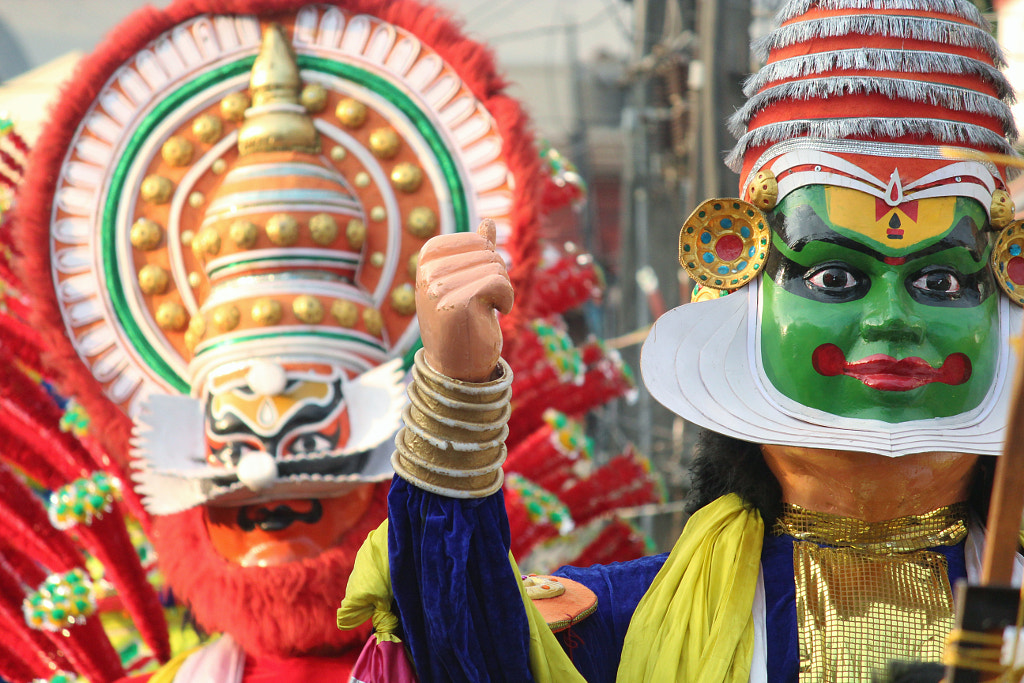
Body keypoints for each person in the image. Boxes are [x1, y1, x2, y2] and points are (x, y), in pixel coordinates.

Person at [366, 0, 1024, 681]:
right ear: (742, 287)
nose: (892, 318)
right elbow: (464, 655)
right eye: (834, 276)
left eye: (942, 281)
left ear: (1007, 290)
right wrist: (457, 392)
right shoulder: (620, 620)